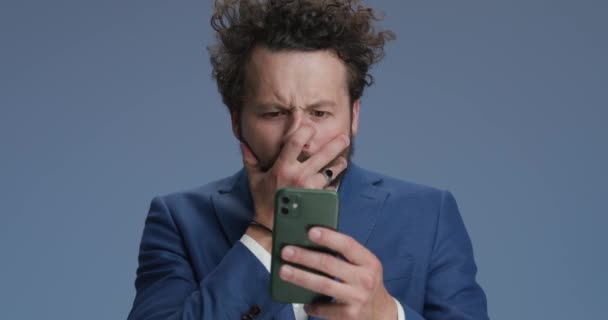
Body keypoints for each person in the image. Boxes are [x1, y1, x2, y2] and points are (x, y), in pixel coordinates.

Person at [128, 1, 489, 319]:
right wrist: (265, 230)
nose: (299, 137)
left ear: (354, 115)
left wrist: (387, 316)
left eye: (319, 113)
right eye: (273, 113)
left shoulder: (430, 214)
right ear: (237, 121)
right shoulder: (178, 221)